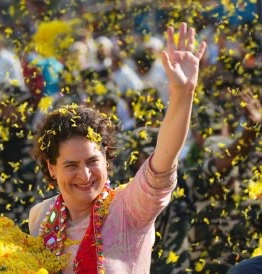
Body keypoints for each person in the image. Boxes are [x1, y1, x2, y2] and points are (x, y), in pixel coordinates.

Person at [28, 22, 206, 273]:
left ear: (106, 160)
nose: (85, 175)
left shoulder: (129, 208)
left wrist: (182, 93)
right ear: (51, 167)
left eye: (92, 161)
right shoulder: (40, 215)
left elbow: (165, 157)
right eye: (71, 165)